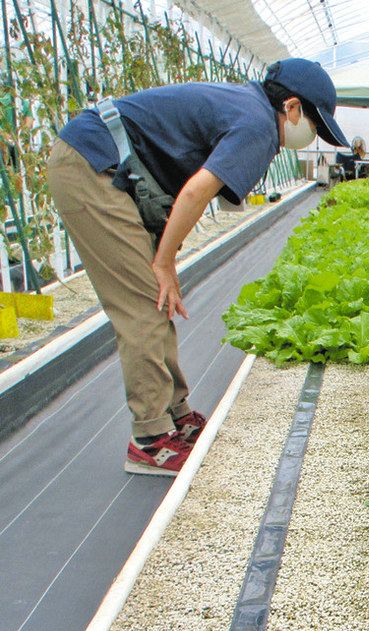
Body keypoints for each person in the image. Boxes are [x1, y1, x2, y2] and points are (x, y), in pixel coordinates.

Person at [48, 58, 348, 475]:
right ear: (293, 108)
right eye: (315, 125)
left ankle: (175, 413)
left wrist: (165, 257)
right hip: (92, 165)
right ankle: (151, 441)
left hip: (111, 164)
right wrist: (166, 260)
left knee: (155, 298)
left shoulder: (249, 108)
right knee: (141, 303)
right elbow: (195, 193)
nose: (312, 136)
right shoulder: (259, 124)